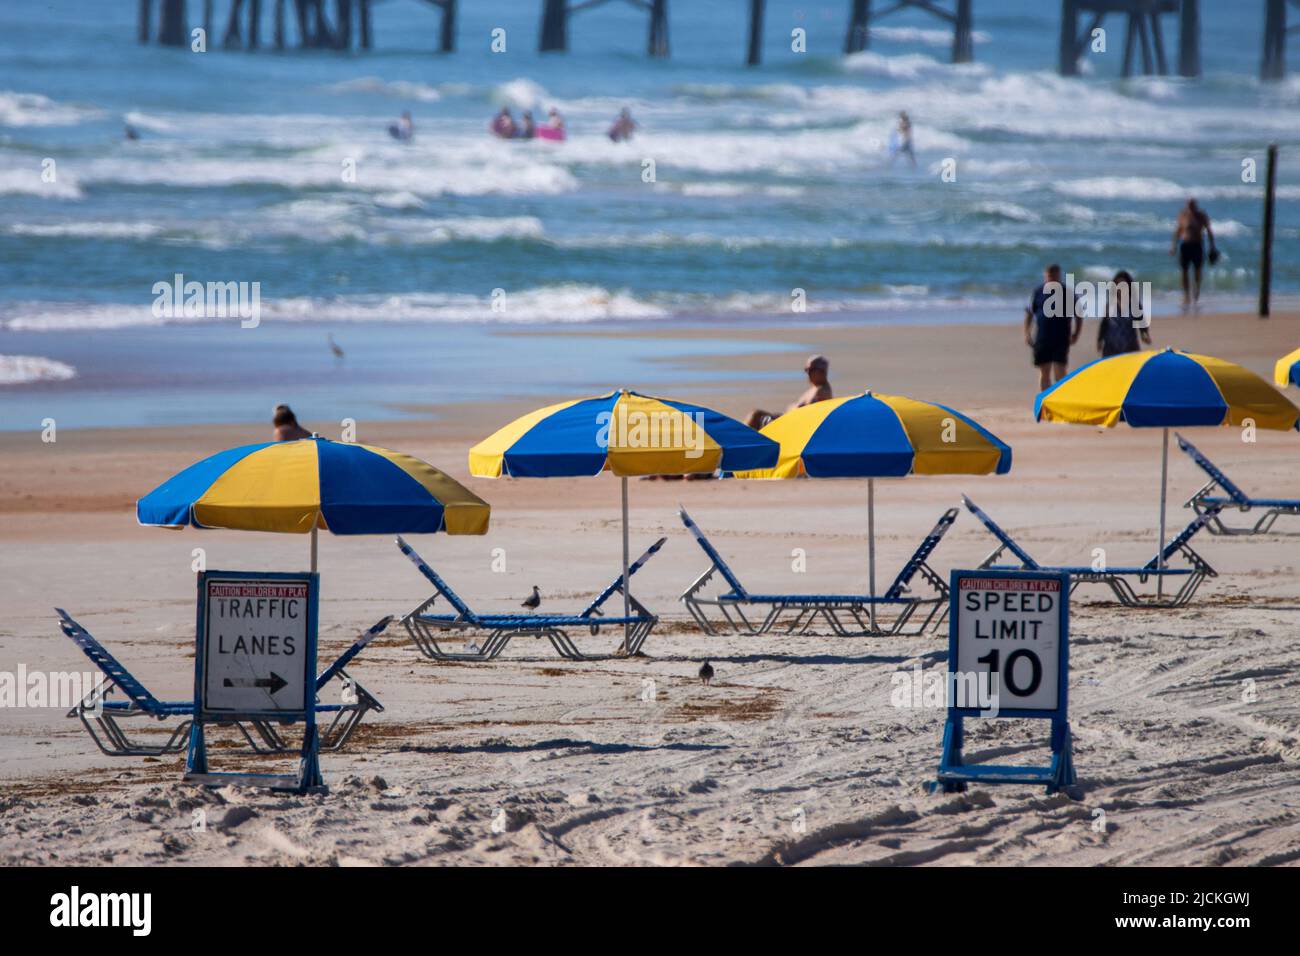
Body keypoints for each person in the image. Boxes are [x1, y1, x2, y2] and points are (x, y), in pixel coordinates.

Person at [1024, 264, 1082, 392]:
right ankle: (1045, 402)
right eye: (1049, 276)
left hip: (1061, 338)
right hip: (1042, 338)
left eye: (1054, 276)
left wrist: (1076, 333)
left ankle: (1061, 401)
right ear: (1045, 276)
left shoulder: (1068, 293)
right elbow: (1029, 313)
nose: (1052, 278)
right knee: (1044, 373)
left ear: (1059, 275)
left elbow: (1079, 315)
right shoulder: (1038, 292)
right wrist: (1027, 333)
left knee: (1060, 372)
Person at [746, 355, 832, 429]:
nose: (808, 373)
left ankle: (741, 439)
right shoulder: (815, 389)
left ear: (822, 371)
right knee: (757, 415)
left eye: (811, 370)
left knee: (756, 415)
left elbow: (809, 416)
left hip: (795, 425)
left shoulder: (822, 391)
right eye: (806, 370)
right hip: (789, 420)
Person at [1170, 198, 1217, 311]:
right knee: (1184, 271)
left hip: (1197, 245)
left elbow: (1209, 231)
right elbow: (1178, 231)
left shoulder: (1201, 216)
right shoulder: (1183, 215)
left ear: (1196, 205)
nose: (1191, 207)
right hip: (1185, 245)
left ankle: (1196, 293)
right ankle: (1186, 295)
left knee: (1197, 271)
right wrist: (1174, 246)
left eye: (1192, 205)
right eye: (1189, 205)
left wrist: (1212, 247)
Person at [1096, 270, 1152, 358]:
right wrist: (1099, 339)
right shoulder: (1110, 305)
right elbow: (1104, 324)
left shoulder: (1134, 305)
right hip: (1111, 346)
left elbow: (1142, 322)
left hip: (1129, 345)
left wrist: (1145, 334)